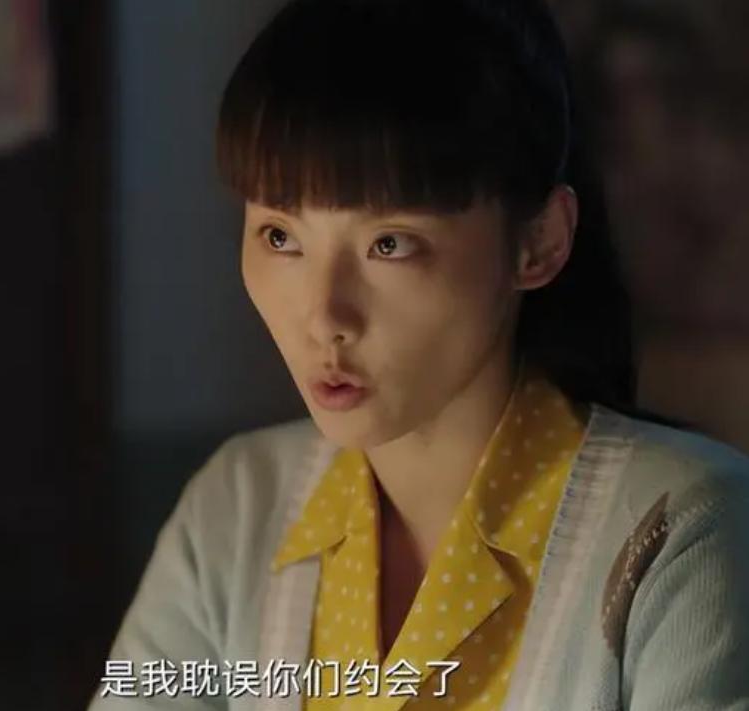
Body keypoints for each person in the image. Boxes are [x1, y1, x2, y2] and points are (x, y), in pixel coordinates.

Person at [89, 0, 749, 709]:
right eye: (281, 237)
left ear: (539, 243)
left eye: (389, 244)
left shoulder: (678, 530)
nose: (324, 315)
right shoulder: (237, 507)